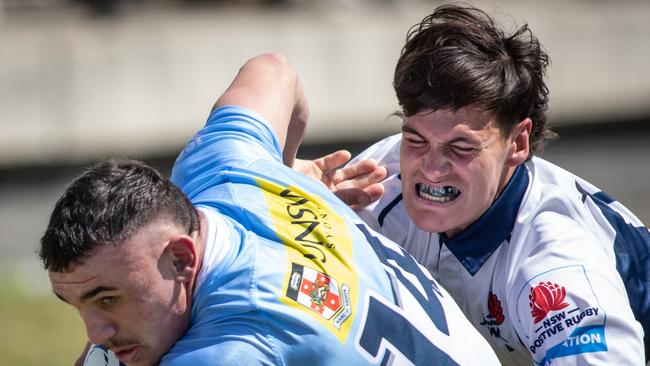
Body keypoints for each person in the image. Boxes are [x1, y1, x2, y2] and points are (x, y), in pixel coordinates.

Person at [39, 53, 501, 365]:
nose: (96, 330)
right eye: (78, 303)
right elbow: (274, 70)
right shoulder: (224, 165)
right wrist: (283, 172)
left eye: (107, 299)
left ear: (182, 258)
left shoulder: (230, 346)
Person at [301, 4, 650, 365]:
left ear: (517, 143)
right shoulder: (380, 180)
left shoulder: (554, 265)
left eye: (461, 147)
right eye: (416, 140)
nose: (432, 170)